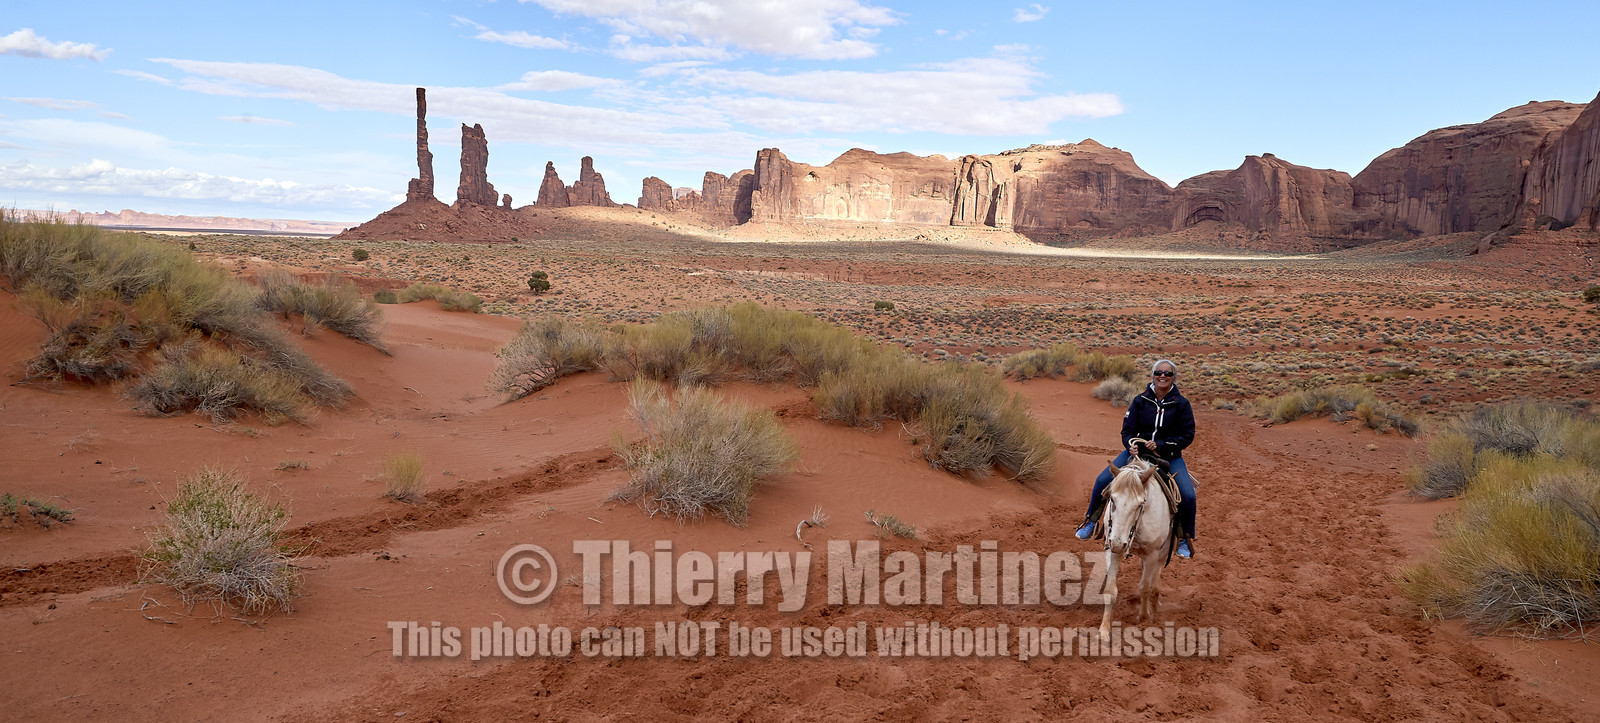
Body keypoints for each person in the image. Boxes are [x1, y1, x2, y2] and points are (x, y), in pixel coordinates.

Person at [1074, 359, 1198, 558]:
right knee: (1102, 480)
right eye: (1158, 373)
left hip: (1169, 456)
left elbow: (1187, 435)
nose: (1162, 376)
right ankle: (1091, 521)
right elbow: (1127, 430)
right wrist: (1130, 445)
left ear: (1174, 377)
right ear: (1153, 376)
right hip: (1138, 453)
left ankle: (1185, 537)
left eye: (1167, 373)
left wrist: (1162, 445)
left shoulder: (1181, 404)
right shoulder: (1141, 400)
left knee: (1188, 495)